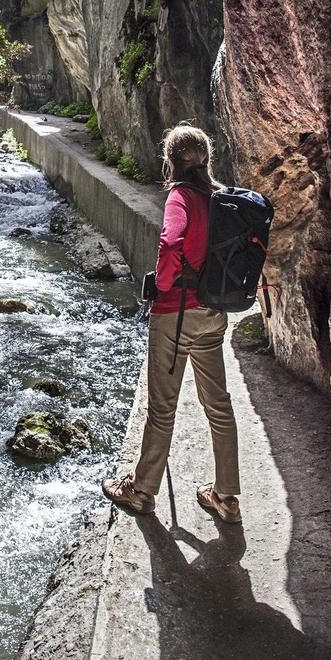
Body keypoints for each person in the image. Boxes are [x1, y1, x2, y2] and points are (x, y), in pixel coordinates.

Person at [102, 123, 242, 522]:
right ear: (207, 160)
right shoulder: (221, 198)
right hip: (213, 314)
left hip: (175, 315)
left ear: (170, 161)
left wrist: (163, 285)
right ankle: (226, 497)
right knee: (219, 406)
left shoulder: (181, 196)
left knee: (162, 409)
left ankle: (141, 491)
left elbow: (170, 241)